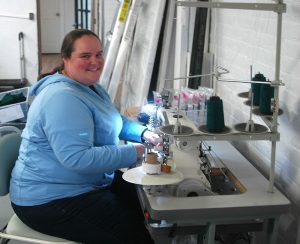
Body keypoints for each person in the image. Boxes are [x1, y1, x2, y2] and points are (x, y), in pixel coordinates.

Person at [10, 29, 158, 244]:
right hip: (48, 198)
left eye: (98, 54)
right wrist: (134, 151)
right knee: (131, 231)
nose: (95, 61)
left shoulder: (91, 87)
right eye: (85, 56)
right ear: (66, 59)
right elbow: (77, 158)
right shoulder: (62, 98)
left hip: (83, 181)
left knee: (141, 200)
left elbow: (114, 121)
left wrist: (144, 134)